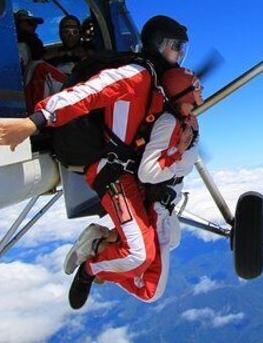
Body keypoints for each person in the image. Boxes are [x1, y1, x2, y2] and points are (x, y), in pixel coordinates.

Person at [0, 15, 190, 308]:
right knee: (139, 256)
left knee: (155, 271)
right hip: (114, 175)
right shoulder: (136, 74)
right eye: (175, 47)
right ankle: (90, 264)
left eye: (183, 48)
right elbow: (86, 94)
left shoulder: (161, 84)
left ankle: (106, 247)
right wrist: (35, 122)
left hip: (136, 177)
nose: (180, 55)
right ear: (158, 44)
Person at [65, 67, 203, 305]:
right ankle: (92, 267)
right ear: (184, 92)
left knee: (174, 240)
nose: (202, 90)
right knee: (150, 290)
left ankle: (106, 240)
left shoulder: (186, 122)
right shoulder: (170, 122)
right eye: (197, 86)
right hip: (159, 205)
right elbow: (148, 173)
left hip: (166, 203)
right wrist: (179, 151)